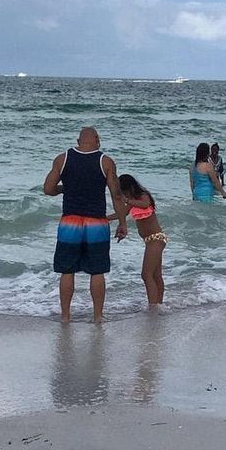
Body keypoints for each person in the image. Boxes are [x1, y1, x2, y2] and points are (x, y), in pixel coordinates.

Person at [43, 126, 127, 322]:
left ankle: (65, 316)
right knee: (97, 271)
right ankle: (97, 316)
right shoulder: (105, 161)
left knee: (67, 270)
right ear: (97, 139)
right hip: (96, 222)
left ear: (78, 140)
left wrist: (63, 190)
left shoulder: (62, 159)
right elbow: (116, 195)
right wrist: (122, 222)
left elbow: (47, 189)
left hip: (70, 221)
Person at [111, 174, 167, 308]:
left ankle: (153, 307)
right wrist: (103, 218)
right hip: (150, 240)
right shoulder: (132, 201)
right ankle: (159, 304)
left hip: (156, 238)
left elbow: (145, 204)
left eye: (124, 191)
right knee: (155, 275)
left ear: (130, 188)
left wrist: (127, 200)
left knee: (146, 274)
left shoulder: (143, 196)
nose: (124, 195)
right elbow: (122, 213)